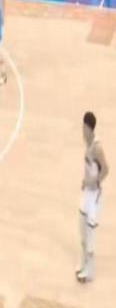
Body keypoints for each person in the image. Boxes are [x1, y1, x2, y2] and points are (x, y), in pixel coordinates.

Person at [77, 112, 109, 283]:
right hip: (86, 193)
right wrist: (85, 182)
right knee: (81, 228)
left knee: (89, 233)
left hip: (94, 195)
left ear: (89, 128)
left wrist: (93, 182)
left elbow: (106, 169)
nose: (82, 130)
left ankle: (89, 271)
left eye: (84, 127)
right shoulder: (87, 143)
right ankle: (83, 263)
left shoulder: (97, 147)